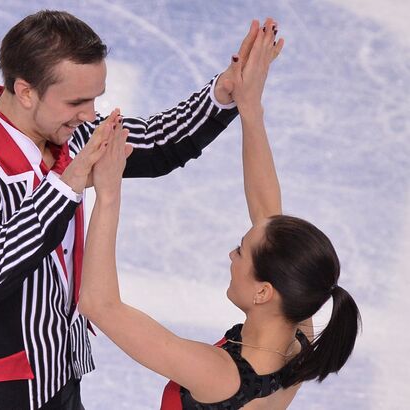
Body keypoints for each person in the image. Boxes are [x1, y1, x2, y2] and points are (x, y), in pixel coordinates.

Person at [0, 9, 259, 410]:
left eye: (95, 98)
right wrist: (68, 184)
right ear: (26, 91)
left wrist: (224, 92)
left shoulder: (67, 134)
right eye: (77, 101)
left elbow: (155, 144)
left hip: (60, 383)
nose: (89, 114)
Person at [79, 18, 361, 409]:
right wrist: (250, 108)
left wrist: (109, 192)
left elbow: (99, 304)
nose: (231, 255)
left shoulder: (218, 374)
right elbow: (268, 215)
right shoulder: (297, 336)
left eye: (241, 252)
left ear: (264, 291)